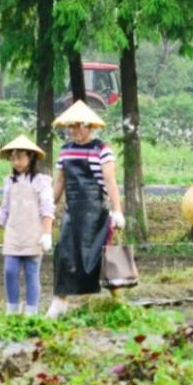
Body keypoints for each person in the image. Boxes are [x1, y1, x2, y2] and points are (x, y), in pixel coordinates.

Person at [49, 101, 126, 317]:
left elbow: (110, 182)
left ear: (89, 126)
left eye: (78, 126)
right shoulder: (66, 151)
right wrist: (48, 208)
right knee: (64, 254)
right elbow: (60, 181)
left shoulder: (102, 150)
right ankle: (59, 303)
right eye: (70, 126)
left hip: (96, 212)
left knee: (100, 256)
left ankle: (118, 301)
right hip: (72, 212)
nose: (74, 131)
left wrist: (117, 210)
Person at [0, 135, 54, 316]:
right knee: (10, 271)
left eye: (20, 157)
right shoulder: (9, 181)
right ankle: (12, 310)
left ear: (31, 157)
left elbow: (47, 208)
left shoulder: (41, 181)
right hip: (13, 233)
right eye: (13, 158)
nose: (16, 162)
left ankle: (31, 313)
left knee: (31, 273)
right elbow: (4, 208)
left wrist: (46, 233)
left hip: (34, 233)